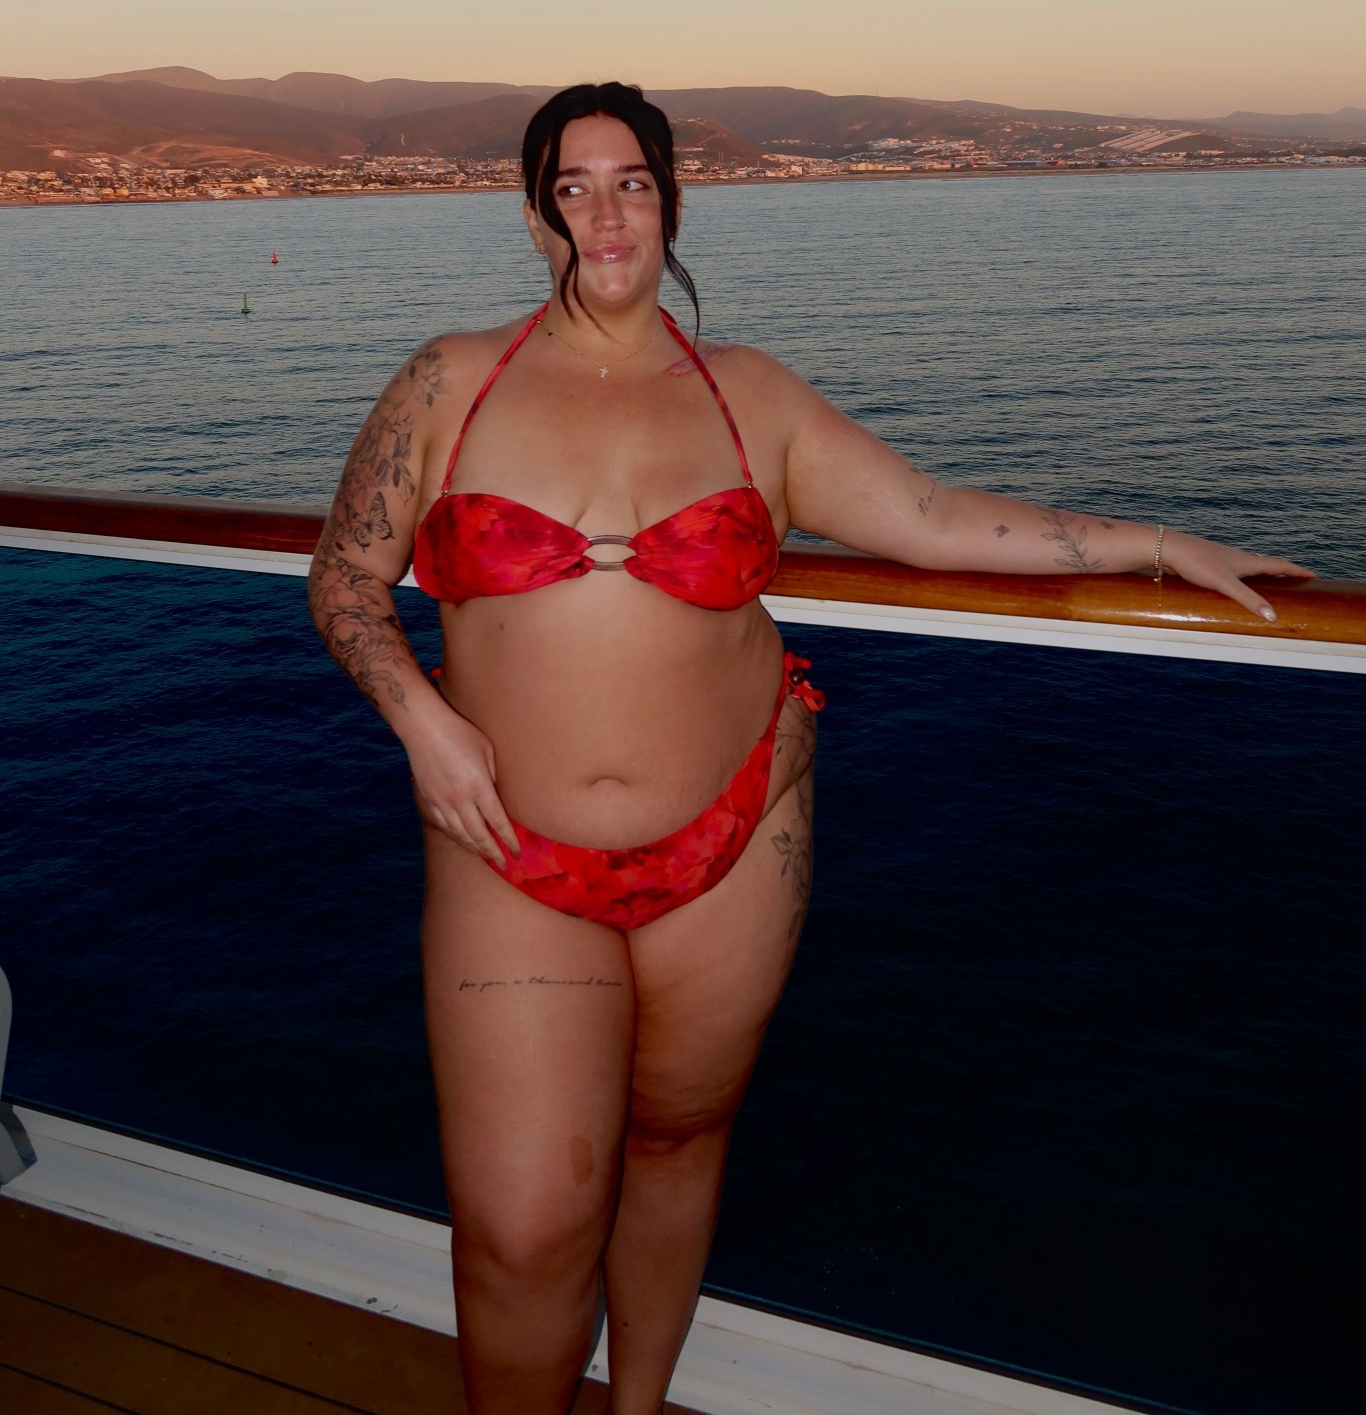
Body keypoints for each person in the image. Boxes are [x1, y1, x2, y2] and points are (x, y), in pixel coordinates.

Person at [307, 81, 1308, 1415]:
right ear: (535, 214)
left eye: (631, 183)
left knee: (677, 1144)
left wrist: (1155, 544)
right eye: (572, 188)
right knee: (523, 1231)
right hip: (508, 851)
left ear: (671, 202)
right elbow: (344, 578)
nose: (605, 214)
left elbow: (929, 516)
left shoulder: (750, 398)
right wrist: (423, 723)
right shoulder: (448, 380)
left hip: (736, 837)